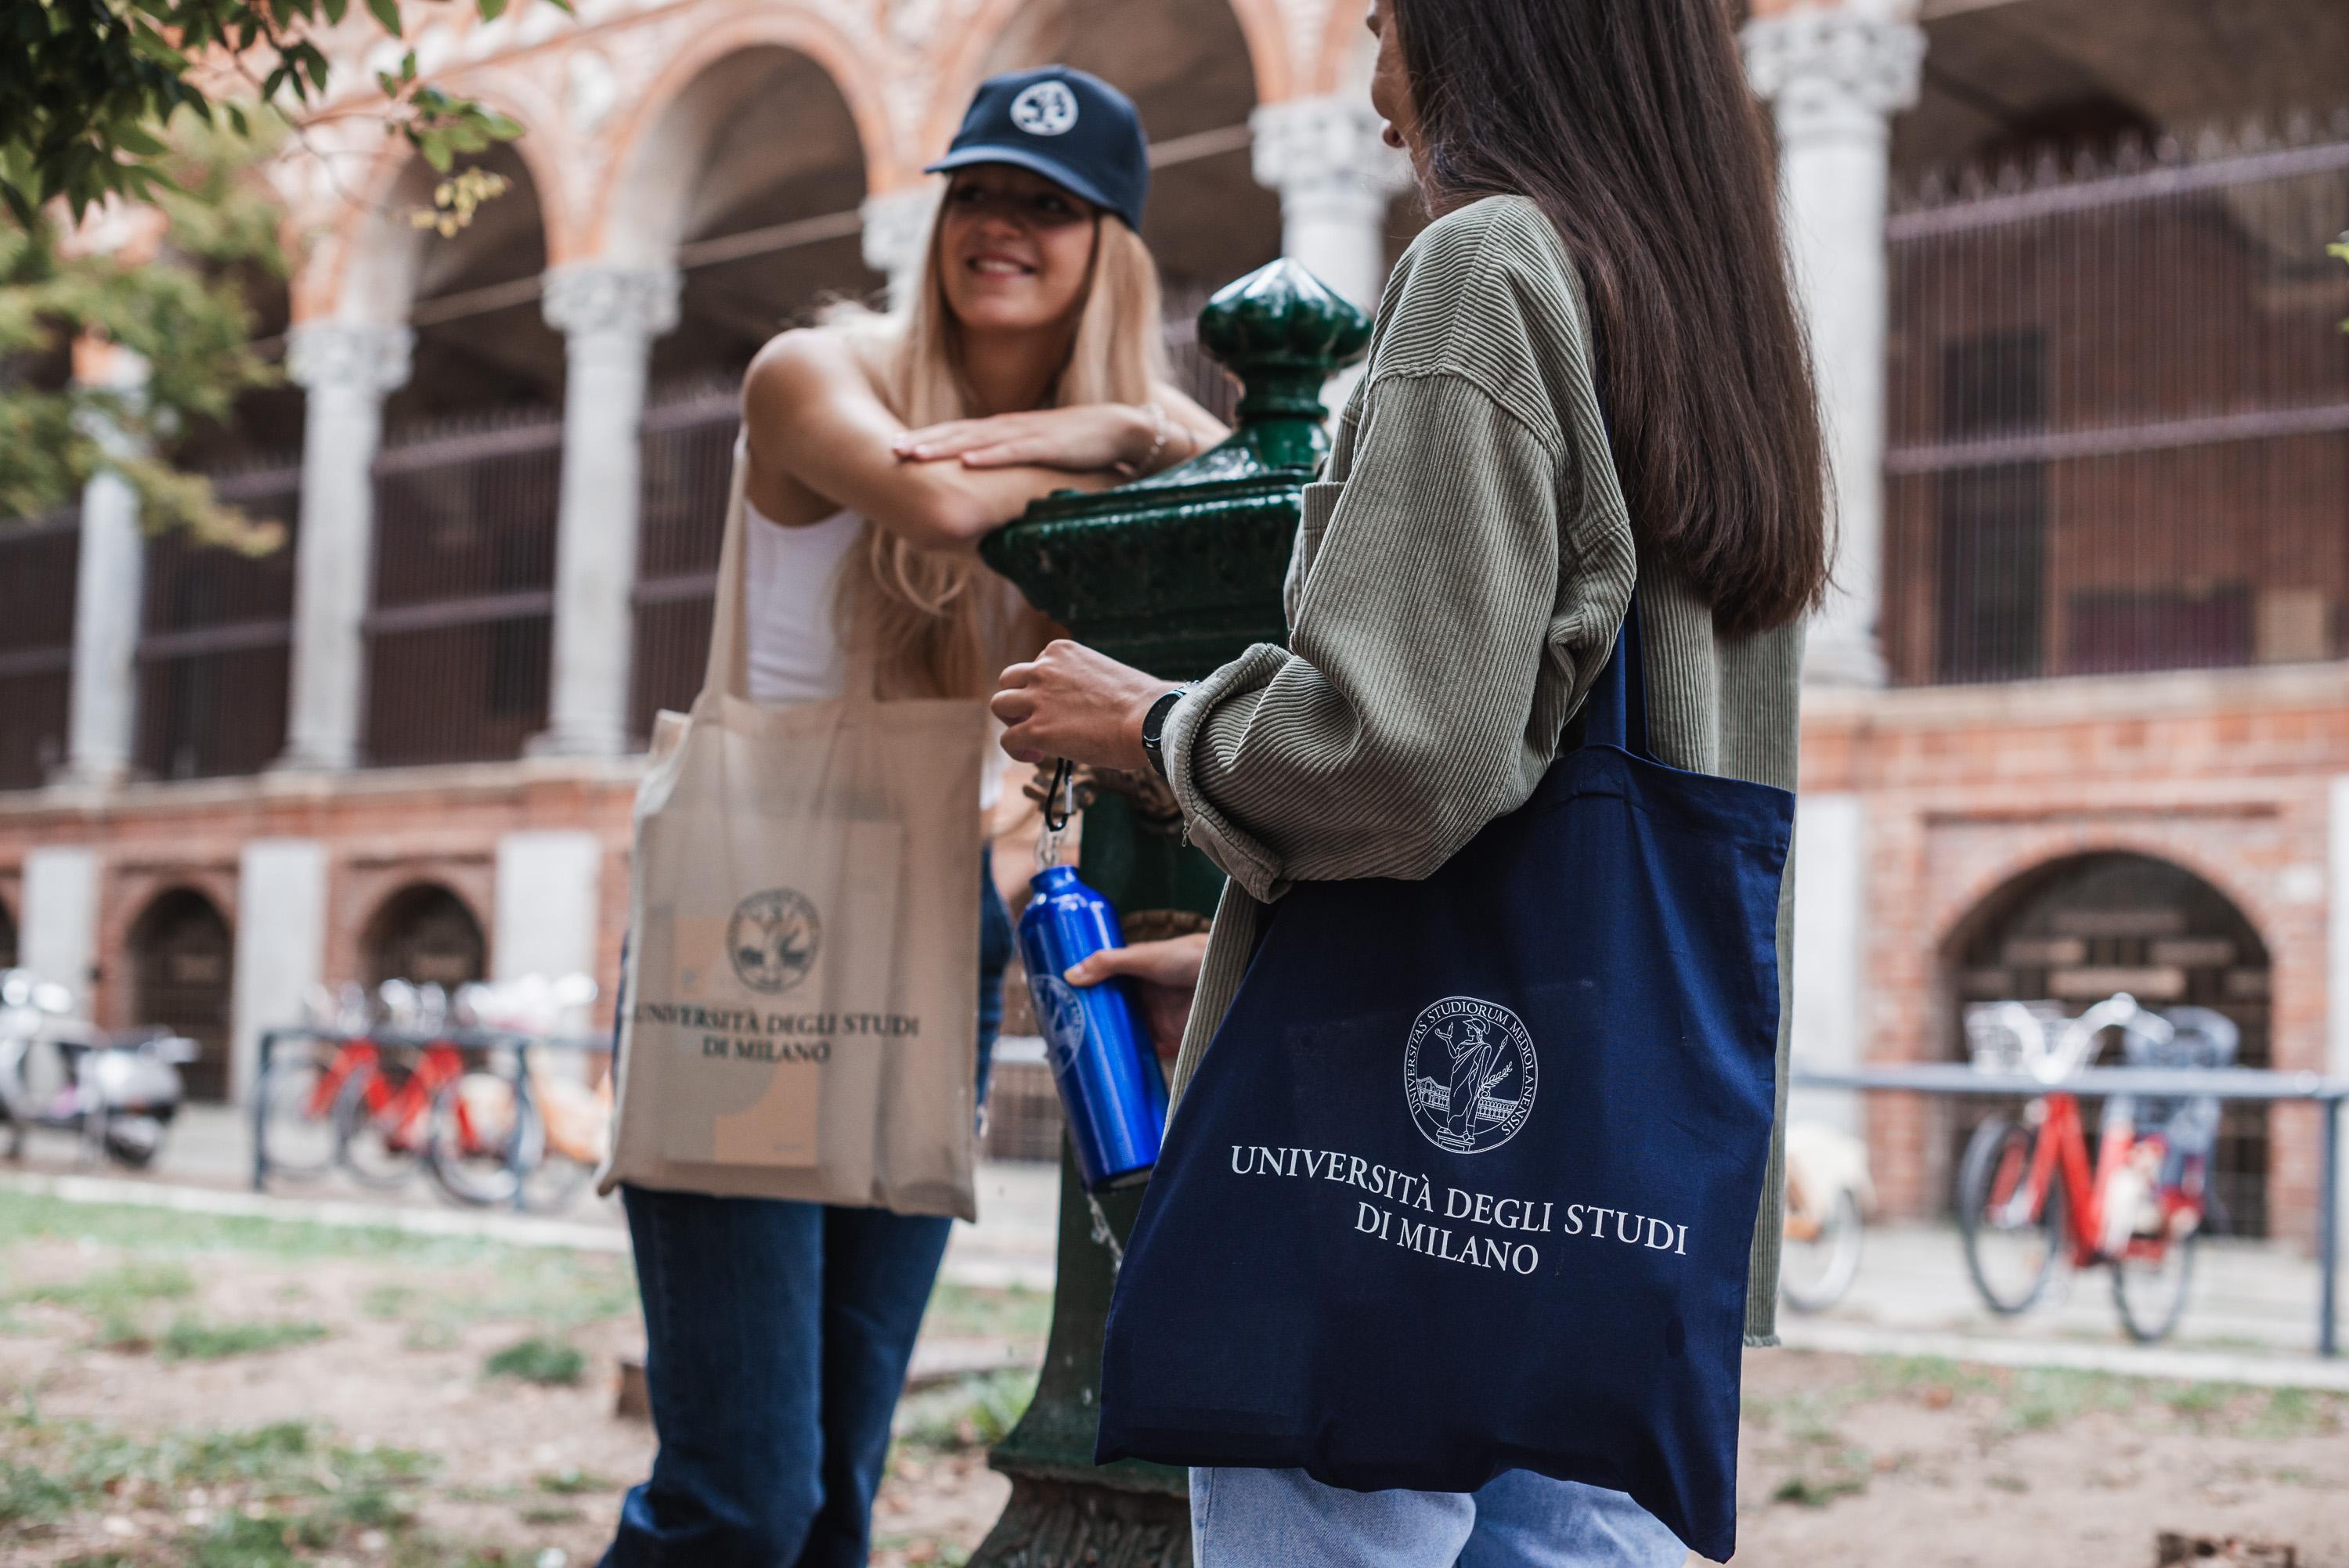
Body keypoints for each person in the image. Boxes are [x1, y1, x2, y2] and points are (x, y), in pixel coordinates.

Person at [987, 1, 1825, 1562]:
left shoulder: (1487, 264)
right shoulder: (1723, 329)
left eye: (1382, 20)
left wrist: (1155, 725)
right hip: (1613, 1163)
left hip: (1389, 1197)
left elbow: (1403, 752)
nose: (1376, 75)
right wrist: (1261, 948)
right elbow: (1579, 750)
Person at [602, 65, 1223, 1568]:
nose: (1001, 226)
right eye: (981, 193)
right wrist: (1109, 431)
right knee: (734, 1499)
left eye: (1051, 208)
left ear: (1109, 249)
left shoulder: (1084, 448)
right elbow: (938, 508)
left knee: (829, 1496)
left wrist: (1109, 431)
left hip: (927, 925)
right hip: (757, 916)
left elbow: (1238, 491)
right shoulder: (813, 372)